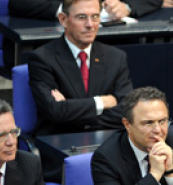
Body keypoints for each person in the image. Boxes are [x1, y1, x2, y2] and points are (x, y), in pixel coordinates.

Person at [27, 0, 133, 135]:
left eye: (95, 17)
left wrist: (71, 109)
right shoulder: (43, 58)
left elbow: (127, 111)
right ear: (63, 19)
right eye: (81, 17)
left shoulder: (116, 57)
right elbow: (55, 111)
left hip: (105, 139)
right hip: (60, 141)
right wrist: (101, 103)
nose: (90, 25)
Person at [9, 0, 173, 21]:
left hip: (111, 46)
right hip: (52, 45)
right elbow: (19, 3)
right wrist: (72, 10)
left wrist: (127, 6)